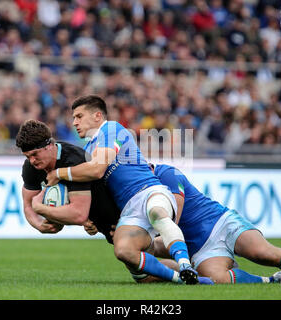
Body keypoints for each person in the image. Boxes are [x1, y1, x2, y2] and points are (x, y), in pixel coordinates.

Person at [86, 163, 281, 284]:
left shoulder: (163, 172)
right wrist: (99, 225)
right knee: (218, 279)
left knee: (263, 252)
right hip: (200, 248)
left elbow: (174, 212)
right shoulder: (133, 200)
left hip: (220, 222)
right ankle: (272, 281)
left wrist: (154, 234)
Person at [46, 95, 199, 285]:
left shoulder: (110, 129)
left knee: (157, 213)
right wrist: (94, 221)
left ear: (97, 116)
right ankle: (184, 278)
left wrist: (59, 173)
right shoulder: (87, 150)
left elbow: (98, 168)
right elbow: (99, 192)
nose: (74, 122)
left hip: (148, 191)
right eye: (73, 117)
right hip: (128, 212)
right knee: (125, 254)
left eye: (79, 116)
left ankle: (184, 263)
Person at [15, 119, 120, 243]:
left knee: (127, 253)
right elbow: (28, 205)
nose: (32, 160)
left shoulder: (74, 160)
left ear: (49, 145)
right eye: (27, 156)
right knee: (127, 255)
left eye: (35, 154)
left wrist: (40, 208)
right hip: (96, 220)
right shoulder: (30, 167)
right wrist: (39, 225)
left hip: (117, 216)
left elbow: (79, 215)